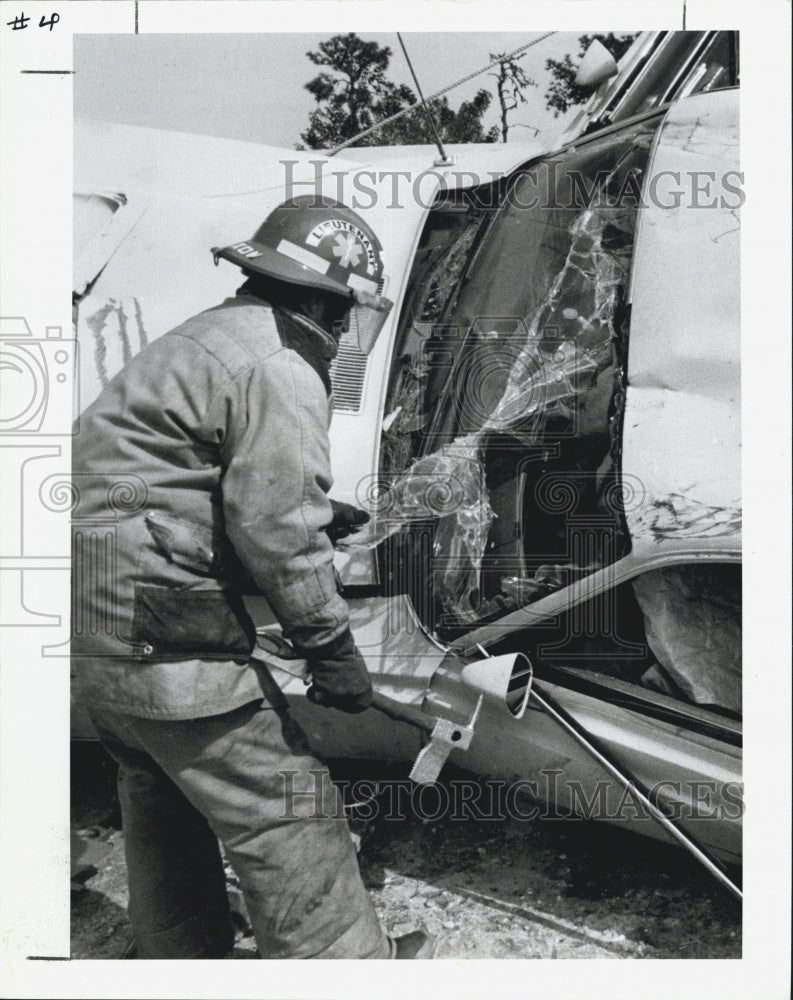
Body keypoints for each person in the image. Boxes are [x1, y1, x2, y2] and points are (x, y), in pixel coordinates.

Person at [71, 195, 437, 959]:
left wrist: (313, 507)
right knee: (289, 808)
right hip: (162, 632)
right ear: (314, 297)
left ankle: (180, 955)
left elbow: (172, 475)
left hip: (93, 619)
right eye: (340, 312)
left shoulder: (207, 336)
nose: (341, 330)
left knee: (162, 795)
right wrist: (332, 651)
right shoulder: (279, 362)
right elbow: (276, 527)